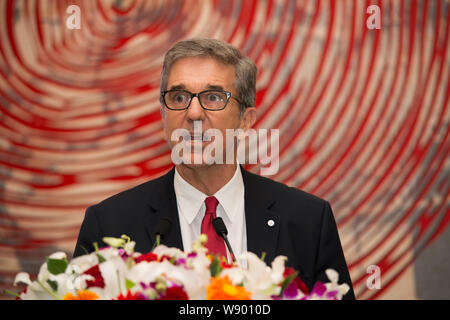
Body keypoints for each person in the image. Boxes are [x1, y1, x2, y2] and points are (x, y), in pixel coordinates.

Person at [73, 38, 355, 299]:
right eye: (180, 97)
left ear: (245, 121)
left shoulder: (308, 222)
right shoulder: (108, 225)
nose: (193, 113)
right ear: (163, 114)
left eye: (214, 97)